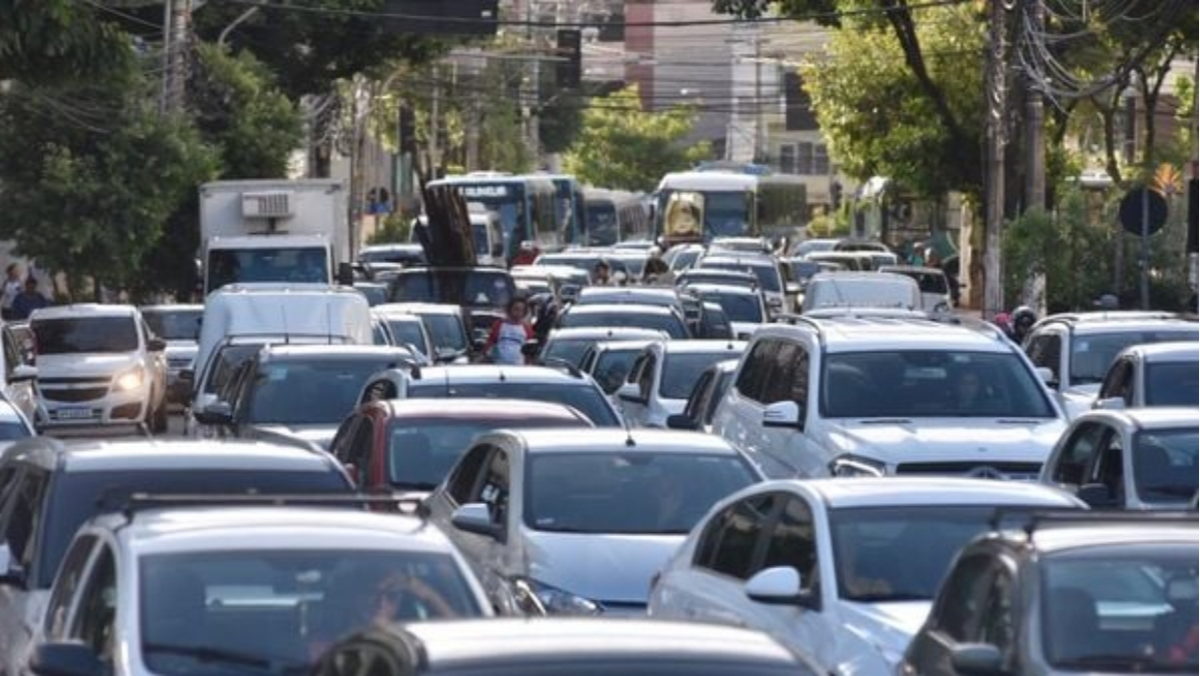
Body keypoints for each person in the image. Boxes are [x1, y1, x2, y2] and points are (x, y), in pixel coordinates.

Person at [482, 297, 534, 365]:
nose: (518, 312)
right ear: (509, 309)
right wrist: (486, 354)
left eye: (522, 310)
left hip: (519, 365)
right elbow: (491, 342)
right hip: (499, 364)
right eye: (516, 309)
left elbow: (530, 350)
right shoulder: (499, 324)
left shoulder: (526, 328)